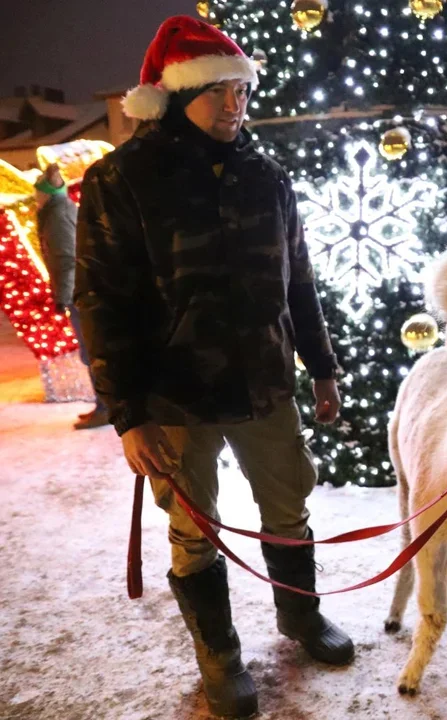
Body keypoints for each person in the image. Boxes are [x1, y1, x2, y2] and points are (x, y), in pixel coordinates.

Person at [74, 17, 353, 719]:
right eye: (219, 92)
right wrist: (127, 414)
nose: (236, 105)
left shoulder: (267, 177)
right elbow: (100, 301)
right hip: (174, 398)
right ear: (177, 95)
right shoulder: (122, 179)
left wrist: (321, 366)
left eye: (242, 91)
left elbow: (299, 282)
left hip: (265, 383)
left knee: (289, 509)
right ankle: (220, 657)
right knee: (195, 530)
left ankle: (299, 618)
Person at [35, 164, 109, 429]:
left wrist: (63, 296)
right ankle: (103, 405)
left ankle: (106, 407)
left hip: (80, 292)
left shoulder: (57, 214)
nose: (35, 199)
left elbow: (67, 258)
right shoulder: (55, 212)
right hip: (78, 290)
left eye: (37, 194)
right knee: (90, 350)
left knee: (91, 350)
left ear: (46, 194)